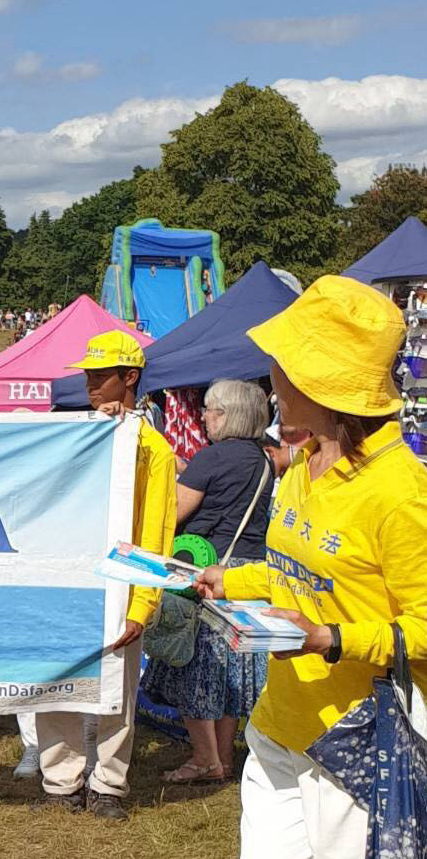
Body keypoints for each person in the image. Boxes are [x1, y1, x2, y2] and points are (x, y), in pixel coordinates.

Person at [195, 276, 427, 859]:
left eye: (281, 363)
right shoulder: (301, 464)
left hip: (360, 739)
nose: (269, 377)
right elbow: (294, 573)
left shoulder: (402, 494)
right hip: (279, 724)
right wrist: (231, 581)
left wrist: (327, 638)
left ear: (317, 382)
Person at [37, 330, 177, 820]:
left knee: (117, 691)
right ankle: (59, 782)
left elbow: (155, 530)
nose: (91, 385)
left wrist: (142, 604)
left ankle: (109, 785)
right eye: (89, 375)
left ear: (130, 378)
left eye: (101, 376)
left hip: (119, 585)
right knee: (54, 683)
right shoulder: (77, 431)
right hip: (66, 582)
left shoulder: (151, 448)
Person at [143, 379, 273, 783]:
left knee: (194, 668)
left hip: (208, 574)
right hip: (248, 574)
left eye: (210, 410)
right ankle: (224, 759)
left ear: (228, 415)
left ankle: (204, 758)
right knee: (232, 676)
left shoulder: (212, 457)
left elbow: (175, 512)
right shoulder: (265, 459)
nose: (203, 416)